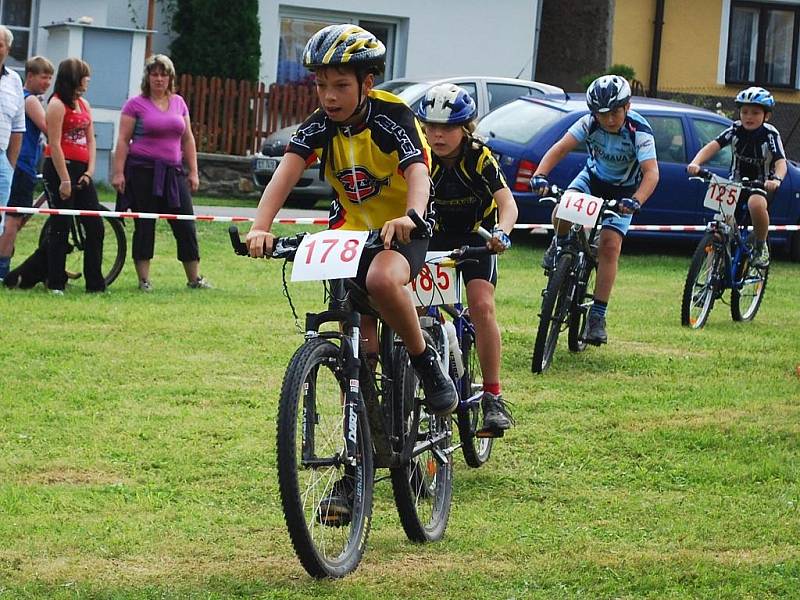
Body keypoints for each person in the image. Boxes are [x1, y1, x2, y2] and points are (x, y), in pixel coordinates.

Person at [246, 24, 458, 520]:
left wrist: (411, 216)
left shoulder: (392, 116)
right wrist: (260, 226)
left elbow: (418, 172)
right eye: (321, 85)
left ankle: (426, 363)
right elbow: (286, 171)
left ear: (366, 82)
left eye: (340, 85)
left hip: (402, 228)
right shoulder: (320, 124)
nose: (329, 95)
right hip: (347, 235)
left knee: (384, 281)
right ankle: (350, 473)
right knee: (355, 354)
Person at [415, 83, 516, 435]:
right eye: (430, 127)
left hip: (478, 237)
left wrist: (502, 232)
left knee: (481, 306)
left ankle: (492, 397)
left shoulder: (479, 156)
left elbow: (508, 203)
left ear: (465, 127)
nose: (438, 135)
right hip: (435, 234)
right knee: (412, 307)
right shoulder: (419, 157)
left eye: (448, 127)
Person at [530, 75, 659, 345]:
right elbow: (561, 148)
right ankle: (560, 244)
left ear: (627, 107)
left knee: (610, 246)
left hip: (624, 192)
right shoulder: (589, 123)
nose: (609, 119)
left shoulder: (640, 131)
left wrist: (636, 201)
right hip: (592, 179)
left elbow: (651, 174)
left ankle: (597, 316)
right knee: (561, 209)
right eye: (602, 114)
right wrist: (540, 175)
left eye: (614, 112)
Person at [112, 54, 209, 291]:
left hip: (173, 173)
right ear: (147, 77)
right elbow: (123, 140)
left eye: (163, 74)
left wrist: (193, 171)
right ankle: (144, 280)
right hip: (143, 172)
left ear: (170, 78)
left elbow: (188, 139)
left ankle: (194, 279)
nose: (159, 79)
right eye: (154, 74)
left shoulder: (179, 102)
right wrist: (118, 173)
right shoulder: (135, 104)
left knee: (185, 224)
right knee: (145, 226)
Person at [687, 87, 786, 268]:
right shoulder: (735, 129)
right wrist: (696, 163)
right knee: (720, 223)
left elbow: (781, 162)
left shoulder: (770, 135)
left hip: (762, 184)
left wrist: (776, 180)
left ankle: (760, 245)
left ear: (766, 116)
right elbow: (714, 145)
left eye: (755, 113)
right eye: (745, 112)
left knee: (755, 204)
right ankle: (713, 268)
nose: (749, 117)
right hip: (735, 182)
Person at [43, 58, 105, 294]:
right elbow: (55, 143)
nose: (88, 80)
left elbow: (91, 139)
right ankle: (56, 282)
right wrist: (65, 179)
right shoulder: (57, 105)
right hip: (60, 168)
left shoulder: (85, 105)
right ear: (74, 78)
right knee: (61, 225)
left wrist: (89, 171)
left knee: (95, 226)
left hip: (81, 170)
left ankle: (95, 283)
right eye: (85, 76)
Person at [0, 56, 53, 280]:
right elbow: (48, 127)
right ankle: (2, 270)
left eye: (50, 78)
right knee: (12, 219)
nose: (47, 83)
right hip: (22, 165)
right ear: (30, 76)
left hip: (22, 163)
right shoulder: (29, 100)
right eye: (43, 77)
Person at [0, 25, 26, 260]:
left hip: (2, 159)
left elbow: (19, 126)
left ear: (7, 49)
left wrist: (10, 164)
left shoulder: (14, 81)